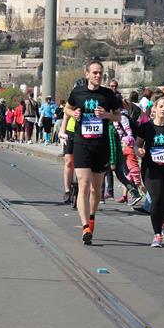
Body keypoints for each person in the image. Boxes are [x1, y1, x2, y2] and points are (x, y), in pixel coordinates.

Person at [64, 60, 122, 245]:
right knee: (83, 184)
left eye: (100, 73)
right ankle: (85, 228)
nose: (98, 76)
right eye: (95, 72)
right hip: (82, 143)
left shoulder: (108, 94)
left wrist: (106, 115)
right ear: (87, 74)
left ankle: (91, 219)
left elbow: (119, 116)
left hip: (101, 145)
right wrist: (73, 114)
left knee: (95, 189)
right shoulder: (78, 92)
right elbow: (67, 108)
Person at [137, 97, 164, 247]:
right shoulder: (146, 127)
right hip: (151, 169)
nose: (163, 109)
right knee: (157, 198)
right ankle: (157, 235)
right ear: (154, 108)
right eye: (160, 106)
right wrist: (139, 150)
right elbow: (137, 145)